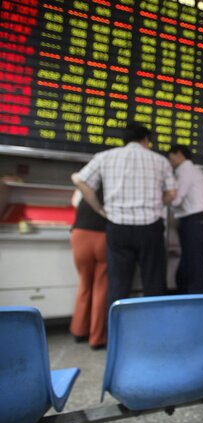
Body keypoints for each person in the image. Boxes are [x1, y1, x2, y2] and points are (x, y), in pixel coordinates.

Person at [72, 123, 176, 307]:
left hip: (118, 226)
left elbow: (80, 180)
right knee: (154, 283)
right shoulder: (160, 161)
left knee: (118, 285)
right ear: (145, 140)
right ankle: (156, 324)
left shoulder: (105, 156)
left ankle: (117, 324)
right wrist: (157, 203)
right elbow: (172, 193)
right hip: (150, 228)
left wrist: (98, 208)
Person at [167, 145, 203, 294]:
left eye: (171, 157)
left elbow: (176, 199)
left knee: (195, 274)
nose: (170, 162)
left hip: (194, 224)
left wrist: (164, 198)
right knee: (188, 271)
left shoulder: (184, 170)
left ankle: (202, 307)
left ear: (179, 154)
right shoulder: (196, 170)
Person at [68, 189, 108, 349]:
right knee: (101, 288)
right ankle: (97, 338)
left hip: (80, 235)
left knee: (84, 284)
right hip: (104, 237)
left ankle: (79, 332)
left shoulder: (83, 187)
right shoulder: (115, 186)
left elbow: (74, 203)